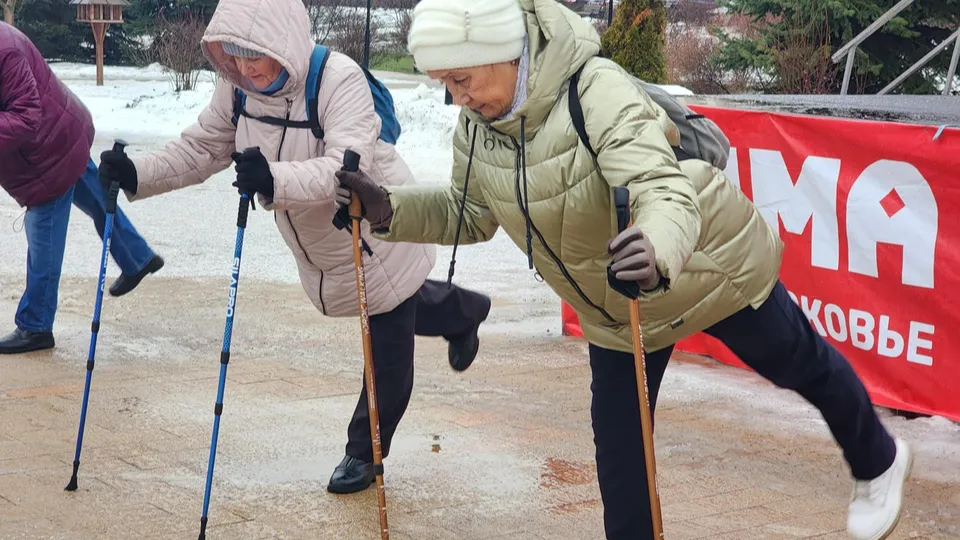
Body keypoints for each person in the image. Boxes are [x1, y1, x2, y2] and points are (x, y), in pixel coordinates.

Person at [334, 0, 912, 538]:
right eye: (445, 83)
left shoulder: (595, 90)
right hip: (618, 303)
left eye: (462, 79)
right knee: (621, 457)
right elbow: (472, 213)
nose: (456, 97)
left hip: (706, 267)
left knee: (801, 365)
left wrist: (657, 248)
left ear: (506, 54)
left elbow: (660, 186)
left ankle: (879, 460)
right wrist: (389, 208)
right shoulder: (479, 127)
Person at [95, 0, 492, 495]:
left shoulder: (336, 80)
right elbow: (203, 148)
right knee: (404, 302)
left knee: (387, 341)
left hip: (374, 229)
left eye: (252, 54)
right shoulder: (238, 88)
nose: (244, 67)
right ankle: (464, 312)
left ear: (280, 43)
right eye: (233, 54)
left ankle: (364, 451)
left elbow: (347, 166)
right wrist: (139, 173)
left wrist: (273, 179)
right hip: (324, 248)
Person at [0, 22, 164, 355]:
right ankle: (137, 258)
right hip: (62, 134)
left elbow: (26, 116)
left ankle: (35, 326)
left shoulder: (5, 52)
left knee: (43, 235)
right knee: (99, 200)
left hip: (48, 153)